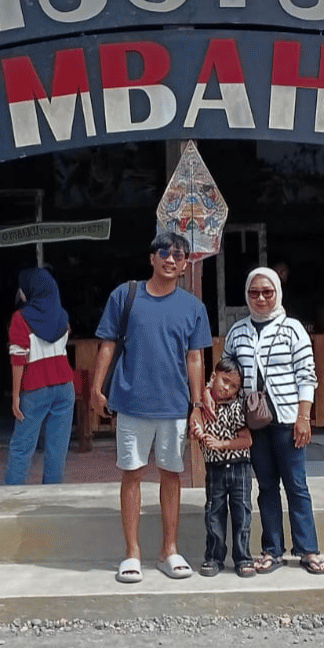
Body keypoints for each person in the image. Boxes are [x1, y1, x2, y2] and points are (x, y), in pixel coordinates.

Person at [91, 231, 212, 584]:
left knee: (172, 475)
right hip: (131, 401)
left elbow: (195, 358)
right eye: (164, 252)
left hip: (174, 405)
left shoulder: (194, 307)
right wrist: (96, 388)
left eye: (179, 255)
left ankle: (168, 550)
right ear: (151, 258)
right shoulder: (125, 295)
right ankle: (132, 553)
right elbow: (107, 344)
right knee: (131, 474)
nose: (171, 259)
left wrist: (196, 404)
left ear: (186, 264)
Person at [222, 266, 324, 575]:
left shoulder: (292, 329)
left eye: (267, 292)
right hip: (254, 422)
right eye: (254, 293)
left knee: (296, 484)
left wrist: (303, 417)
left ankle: (308, 549)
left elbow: (307, 375)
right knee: (266, 486)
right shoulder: (237, 332)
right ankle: (272, 550)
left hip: (287, 419)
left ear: (277, 293)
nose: (260, 299)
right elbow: (229, 376)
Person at [2, 266, 76, 486]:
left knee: (22, 446)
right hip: (65, 387)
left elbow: (18, 359)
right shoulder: (62, 315)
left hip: (35, 388)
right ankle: (52, 495)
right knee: (57, 447)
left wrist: (15, 395)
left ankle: (13, 495)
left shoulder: (20, 318)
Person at [189, 354, 255, 578]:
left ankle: (243, 557)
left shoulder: (236, 407)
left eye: (233, 386)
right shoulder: (202, 408)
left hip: (239, 467)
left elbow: (247, 440)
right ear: (213, 377)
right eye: (224, 381)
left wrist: (221, 444)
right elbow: (195, 433)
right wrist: (198, 432)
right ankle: (214, 557)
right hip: (214, 468)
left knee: (242, 513)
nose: (227, 388)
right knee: (213, 513)